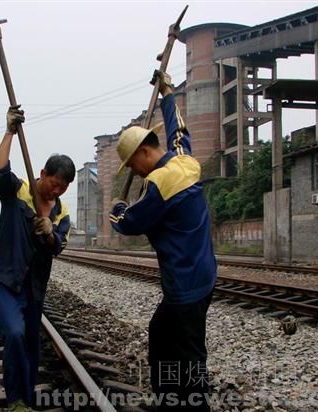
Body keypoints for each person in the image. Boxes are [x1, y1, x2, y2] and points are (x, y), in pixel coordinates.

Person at [109, 71, 217, 411]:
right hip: (201, 275)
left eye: (132, 165)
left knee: (190, 356)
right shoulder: (186, 162)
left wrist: (117, 208)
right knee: (161, 335)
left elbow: (129, 223)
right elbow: (178, 131)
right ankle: (169, 400)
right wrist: (168, 94)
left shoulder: (158, 184)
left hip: (185, 286)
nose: (135, 172)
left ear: (144, 152)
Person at [0, 105, 75, 412]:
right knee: (14, 332)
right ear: (43, 174)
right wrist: (9, 132)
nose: (57, 190)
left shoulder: (61, 212)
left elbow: (58, 245)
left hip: (34, 286)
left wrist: (49, 231)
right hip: (4, 277)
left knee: (30, 343)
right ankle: (15, 401)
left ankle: (25, 398)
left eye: (64, 187)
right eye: (54, 183)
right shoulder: (18, 192)